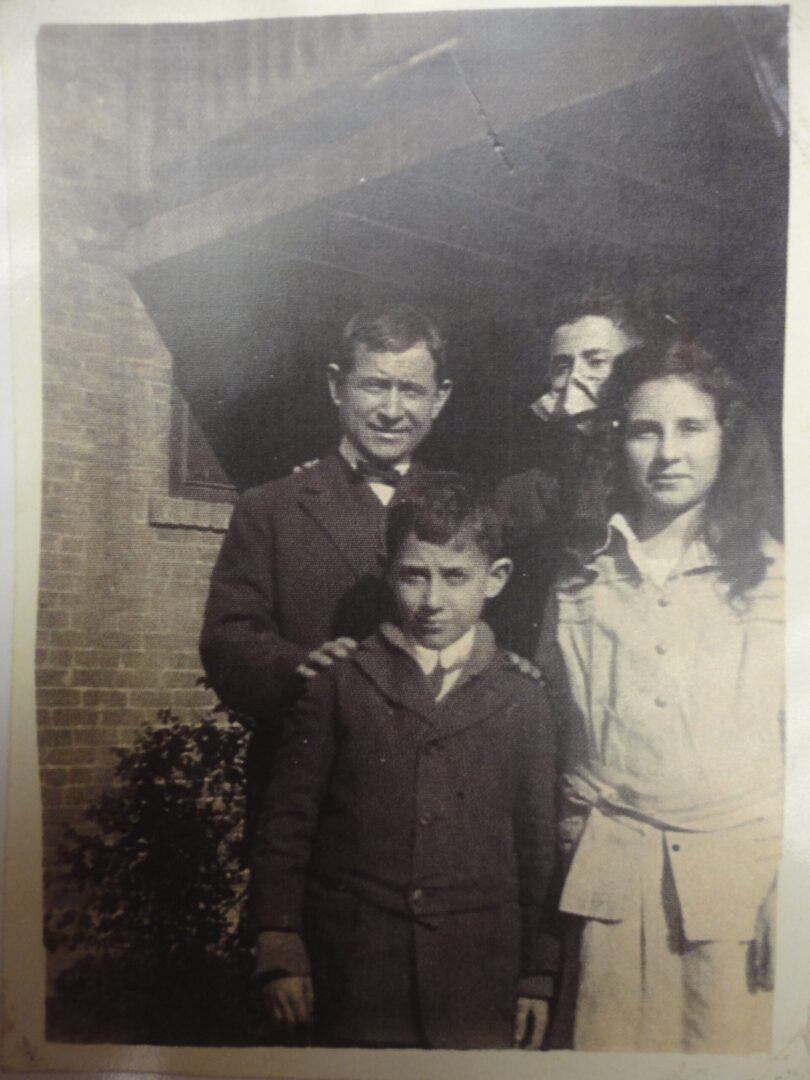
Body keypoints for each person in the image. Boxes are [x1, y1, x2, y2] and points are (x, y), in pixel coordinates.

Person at [249, 474, 559, 1049]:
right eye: (414, 575)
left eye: (456, 576)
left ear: (497, 579)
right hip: (358, 970)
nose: (432, 599)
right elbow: (288, 823)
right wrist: (279, 942)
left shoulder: (523, 696)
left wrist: (537, 973)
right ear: (387, 570)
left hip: (476, 977)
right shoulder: (340, 683)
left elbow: (537, 846)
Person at [540, 338, 784, 1052]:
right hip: (613, 883)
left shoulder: (775, 578)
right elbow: (563, 721)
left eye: (691, 428)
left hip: (742, 890)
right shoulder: (582, 581)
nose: (667, 453)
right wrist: (574, 801)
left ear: (727, 438)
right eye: (645, 430)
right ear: (619, 442)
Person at [199, 302, 452, 828]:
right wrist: (298, 667)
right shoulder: (270, 508)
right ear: (337, 387)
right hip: (310, 801)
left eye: (411, 390)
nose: (391, 409)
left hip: (437, 801)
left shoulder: (464, 507)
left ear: (439, 399)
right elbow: (229, 643)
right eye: (374, 385)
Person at [493, 292, 645, 656]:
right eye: (562, 366)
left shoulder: (657, 482)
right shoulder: (520, 493)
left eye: (596, 362)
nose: (574, 380)